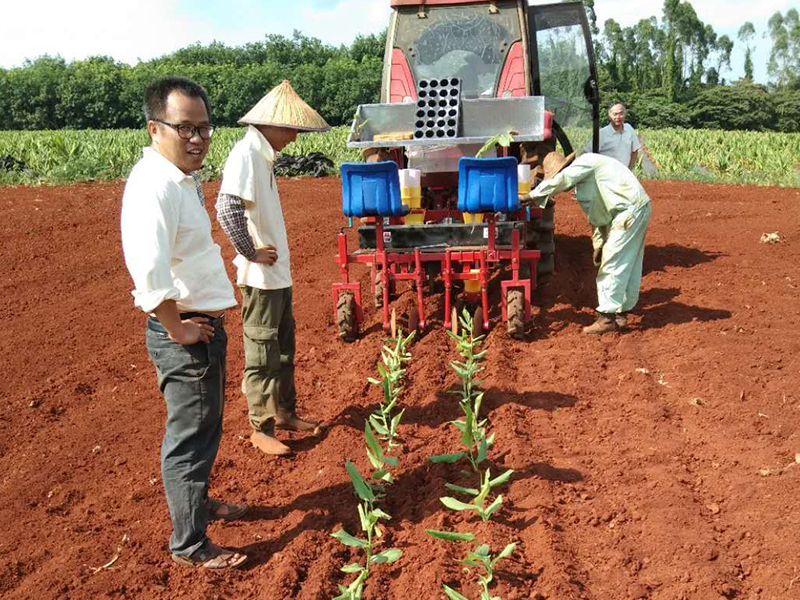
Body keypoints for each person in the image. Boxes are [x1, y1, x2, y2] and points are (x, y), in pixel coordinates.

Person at [120, 76, 248, 569]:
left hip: (202, 326)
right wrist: (178, 329)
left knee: (205, 426)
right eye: (184, 128)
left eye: (204, 128)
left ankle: (198, 504)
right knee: (189, 436)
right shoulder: (154, 187)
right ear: (155, 129)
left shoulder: (180, 180)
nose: (197, 139)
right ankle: (190, 545)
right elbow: (149, 274)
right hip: (187, 332)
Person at [216, 80, 329, 456]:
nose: (295, 139)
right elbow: (226, 208)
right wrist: (249, 251)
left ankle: (284, 413)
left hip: (277, 276)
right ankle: (259, 427)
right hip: (261, 279)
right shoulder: (246, 154)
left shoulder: (262, 156)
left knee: (282, 347)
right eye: (292, 131)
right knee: (262, 352)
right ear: (273, 125)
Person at [527, 151, 652, 334]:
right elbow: (599, 218)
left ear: (565, 168)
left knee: (613, 263)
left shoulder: (586, 162)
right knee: (630, 261)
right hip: (636, 208)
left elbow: (562, 180)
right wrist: (598, 245)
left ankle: (607, 319)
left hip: (629, 212)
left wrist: (532, 196)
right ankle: (621, 312)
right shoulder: (587, 179)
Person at [586, 103, 642, 170]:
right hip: (606, 175)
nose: (618, 117)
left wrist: (629, 170)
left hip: (624, 175)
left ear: (625, 115)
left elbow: (635, 151)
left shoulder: (629, 129)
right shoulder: (602, 133)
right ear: (609, 116)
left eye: (621, 114)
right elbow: (587, 152)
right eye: (615, 114)